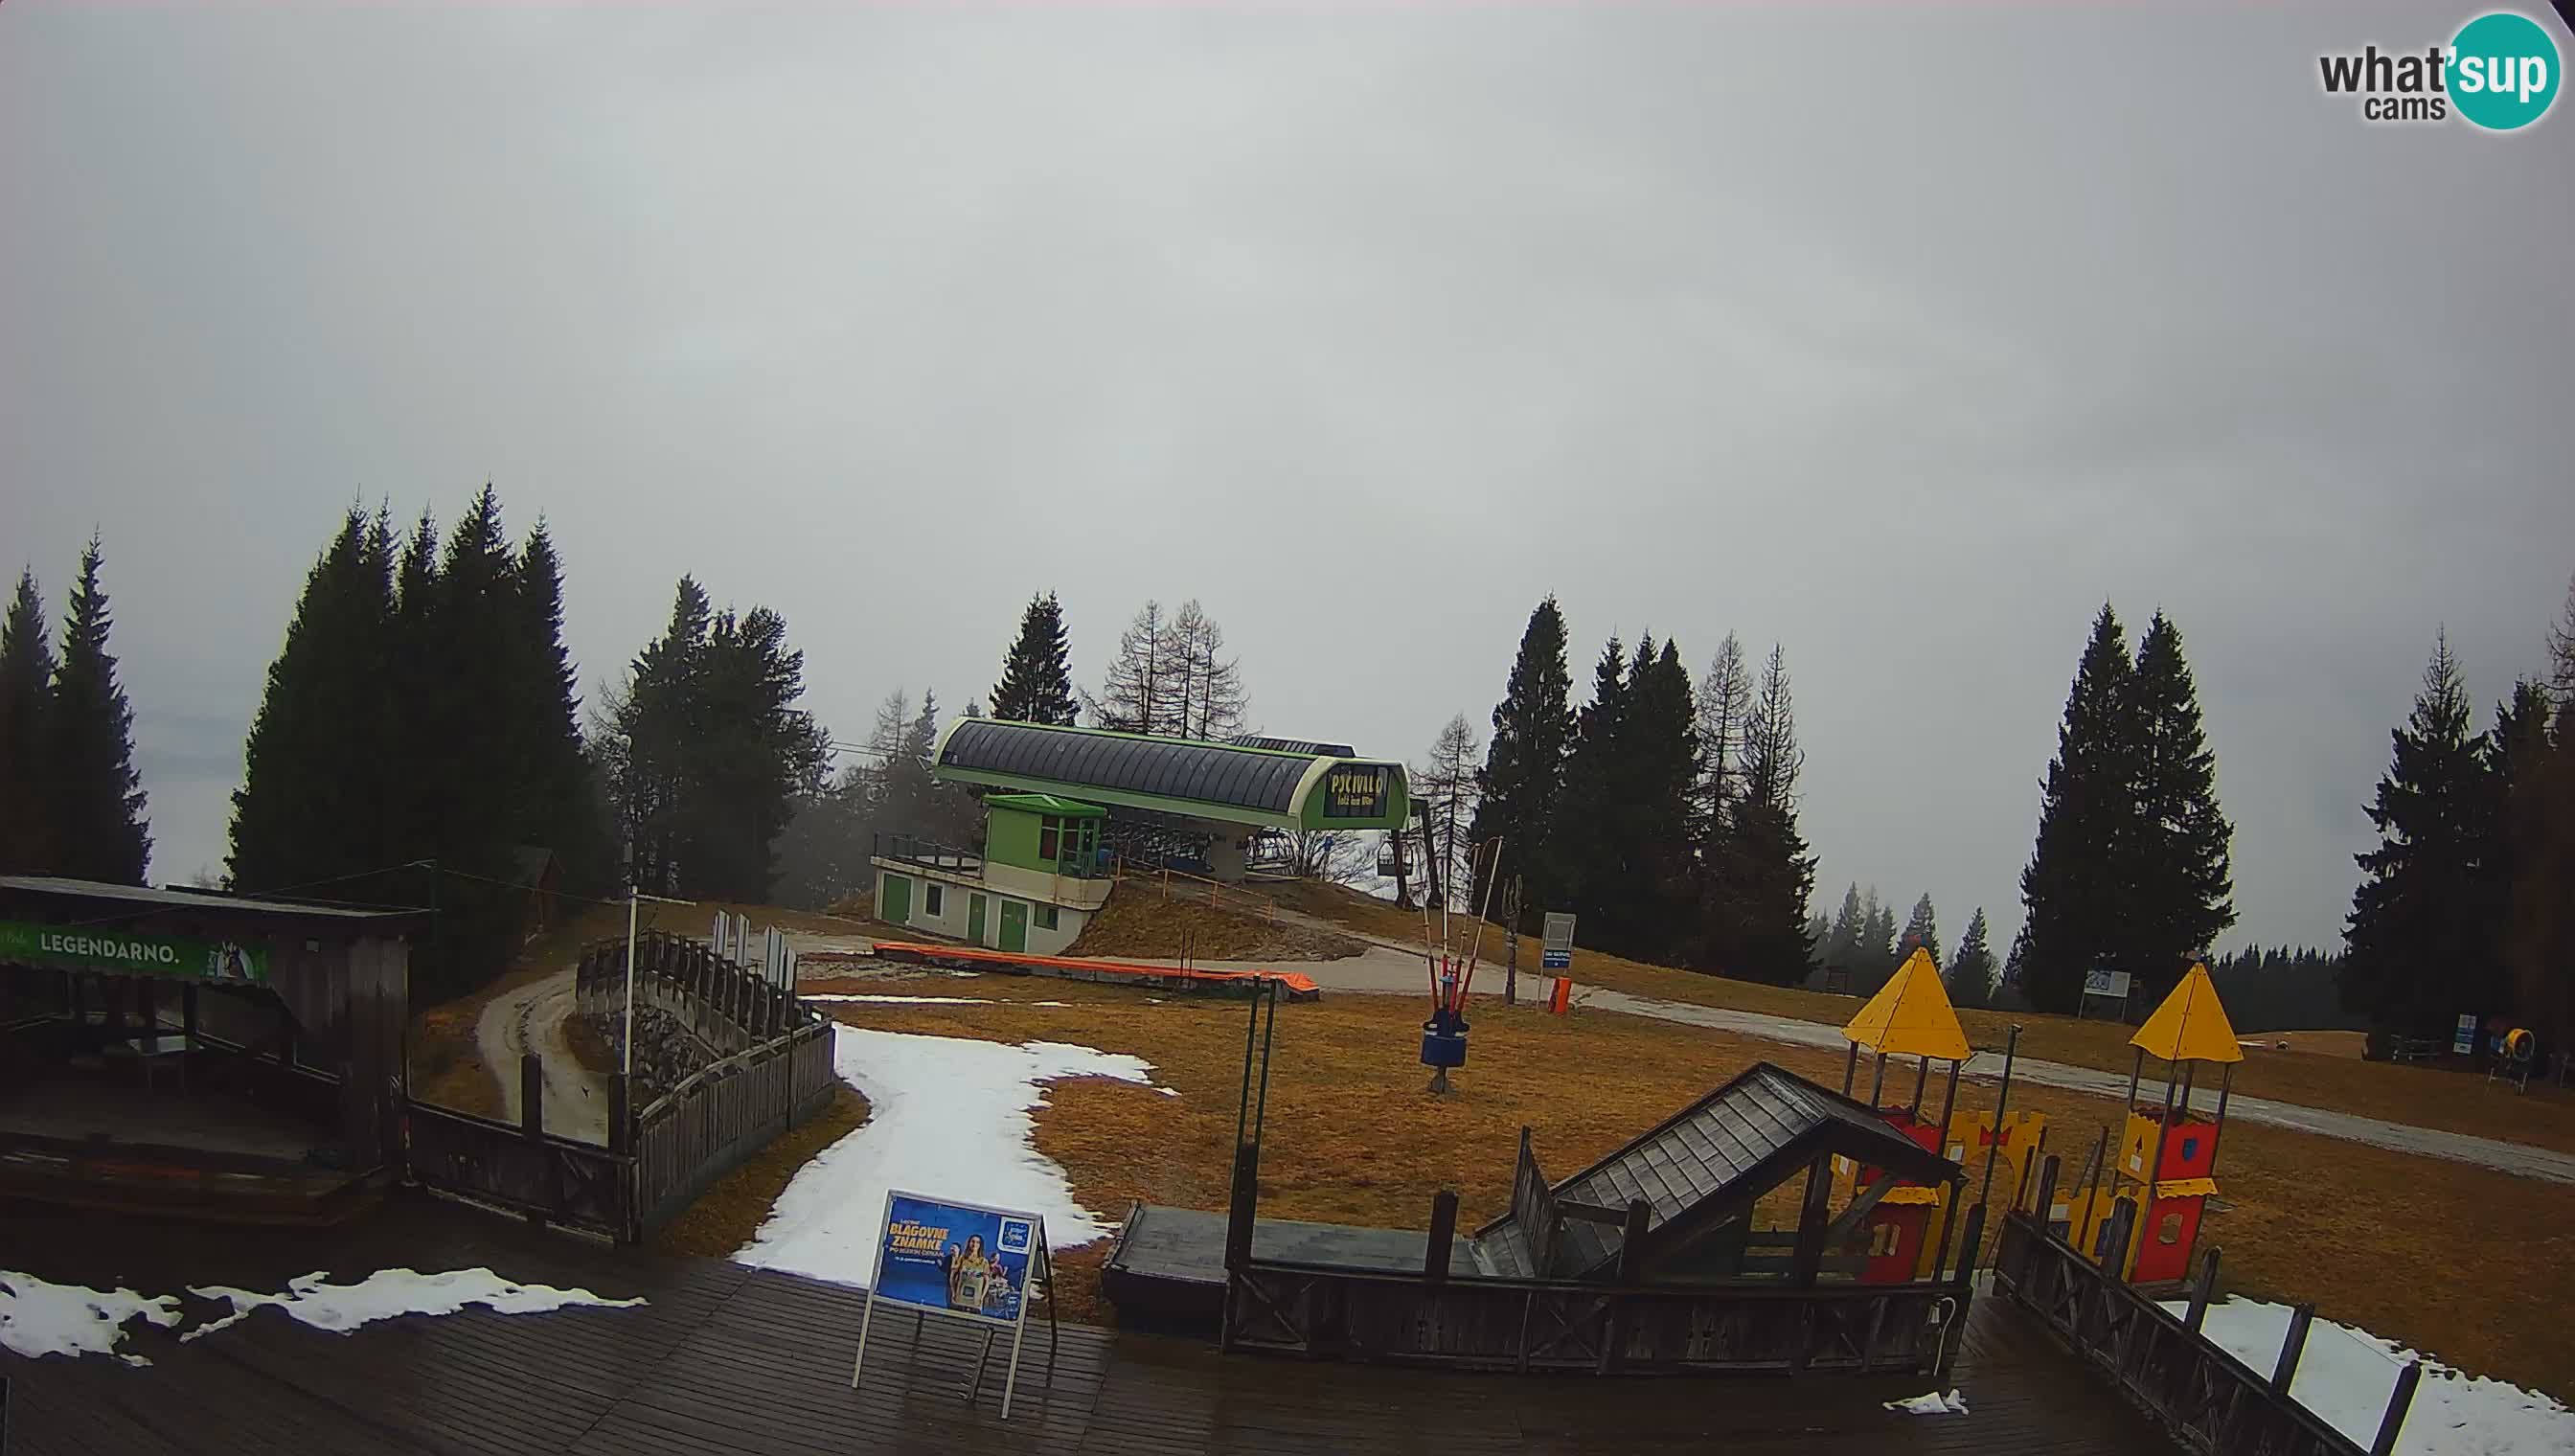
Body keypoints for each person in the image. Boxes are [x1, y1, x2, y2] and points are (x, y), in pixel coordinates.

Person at [950, 1235, 990, 1312]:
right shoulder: (962, 1259)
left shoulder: (984, 1262)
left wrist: (981, 1298)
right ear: (969, 1243)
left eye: (978, 1242)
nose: (975, 1244)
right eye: (973, 1241)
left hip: (975, 1302)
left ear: (980, 1245)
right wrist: (954, 1292)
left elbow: (987, 1282)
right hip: (960, 1300)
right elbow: (952, 1277)